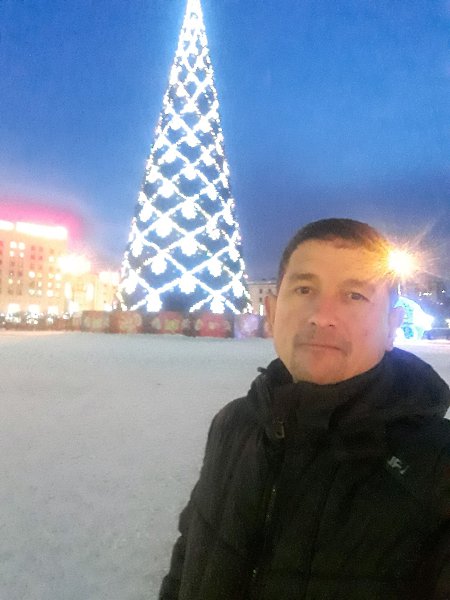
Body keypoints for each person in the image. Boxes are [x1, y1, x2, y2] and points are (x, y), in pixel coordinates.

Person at [159, 218, 450, 600]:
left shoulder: (438, 467)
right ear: (271, 311)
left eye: (354, 295)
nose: (320, 315)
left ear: (392, 326)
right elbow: (187, 562)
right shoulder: (234, 425)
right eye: (304, 289)